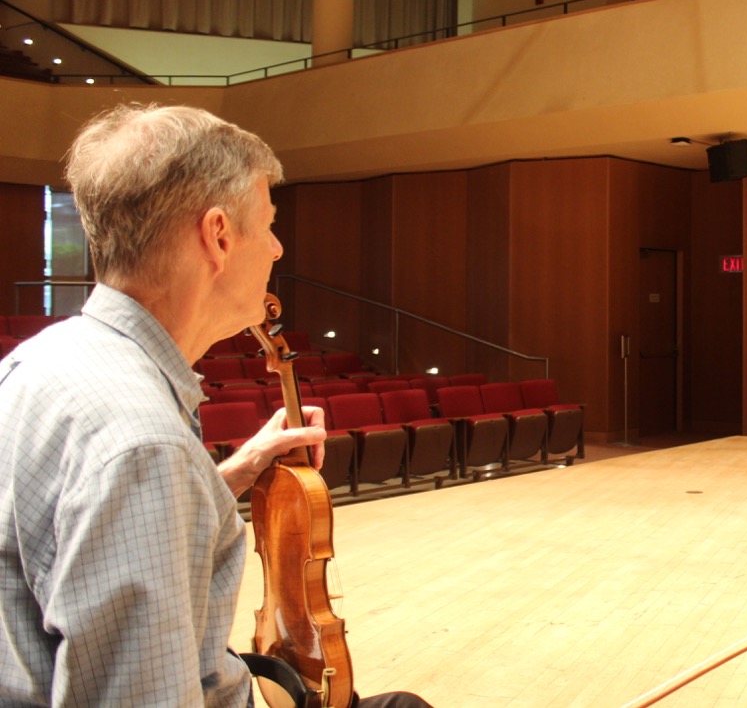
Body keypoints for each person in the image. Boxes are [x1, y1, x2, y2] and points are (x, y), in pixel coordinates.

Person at [0, 105, 429, 706]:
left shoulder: (38, 361)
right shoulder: (144, 445)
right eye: (269, 225)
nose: (277, 248)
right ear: (219, 235)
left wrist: (235, 470)